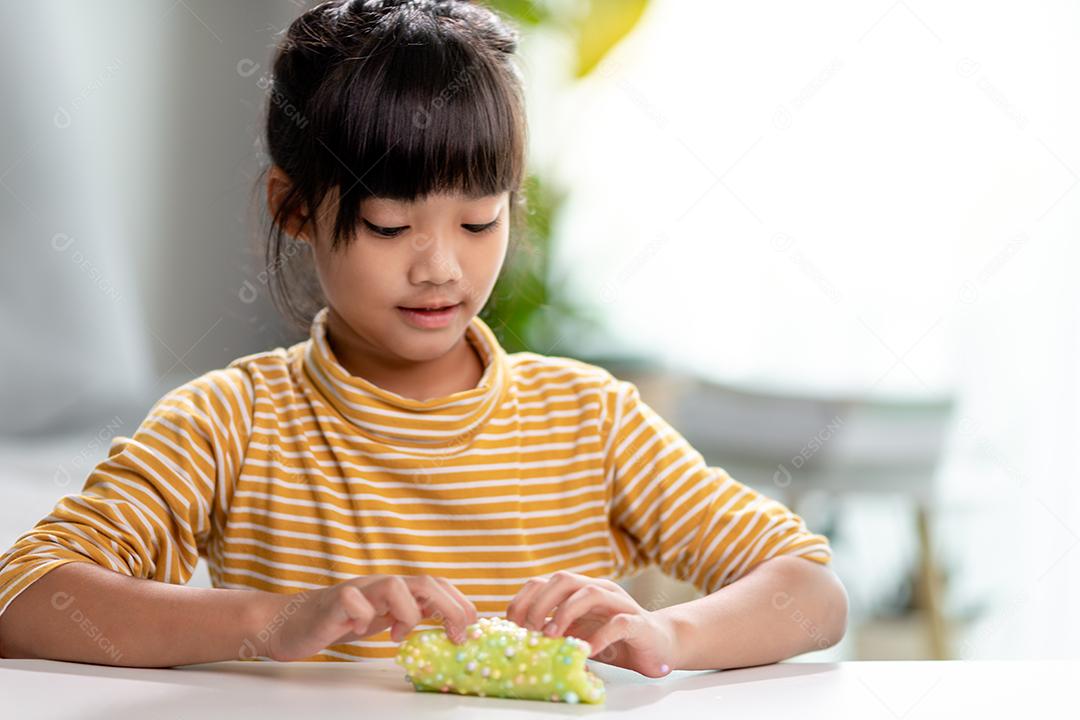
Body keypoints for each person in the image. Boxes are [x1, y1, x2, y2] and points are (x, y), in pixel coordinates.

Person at [0, 0, 846, 674]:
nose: (441, 267)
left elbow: (809, 589)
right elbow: (26, 599)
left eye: (479, 222)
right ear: (295, 208)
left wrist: (669, 636)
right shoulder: (234, 421)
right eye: (390, 224)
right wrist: (275, 620)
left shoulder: (588, 420)